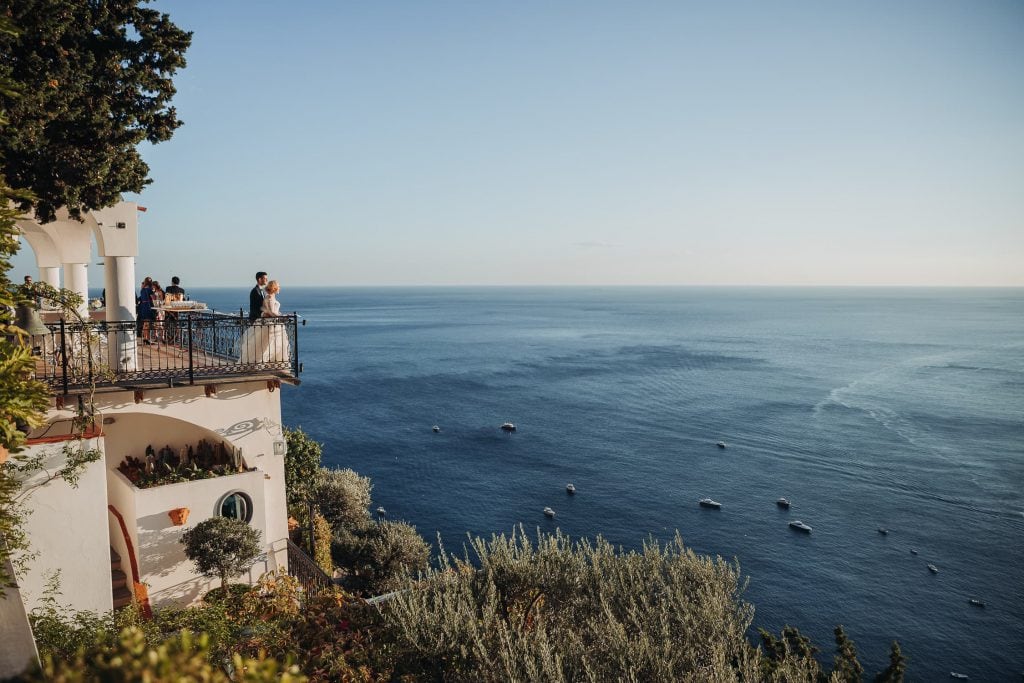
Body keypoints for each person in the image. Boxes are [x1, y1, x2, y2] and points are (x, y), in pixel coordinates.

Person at [239, 279, 289, 365]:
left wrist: (281, 315)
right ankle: (262, 363)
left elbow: (272, 311)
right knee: (267, 345)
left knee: (272, 345)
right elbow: (271, 312)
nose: (279, 288)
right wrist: (282, 317)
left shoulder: (271, 297)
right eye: (278, 286)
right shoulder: (269, 297)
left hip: (272, 323)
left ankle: (271, 362)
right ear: (274, 288)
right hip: (270, 324)